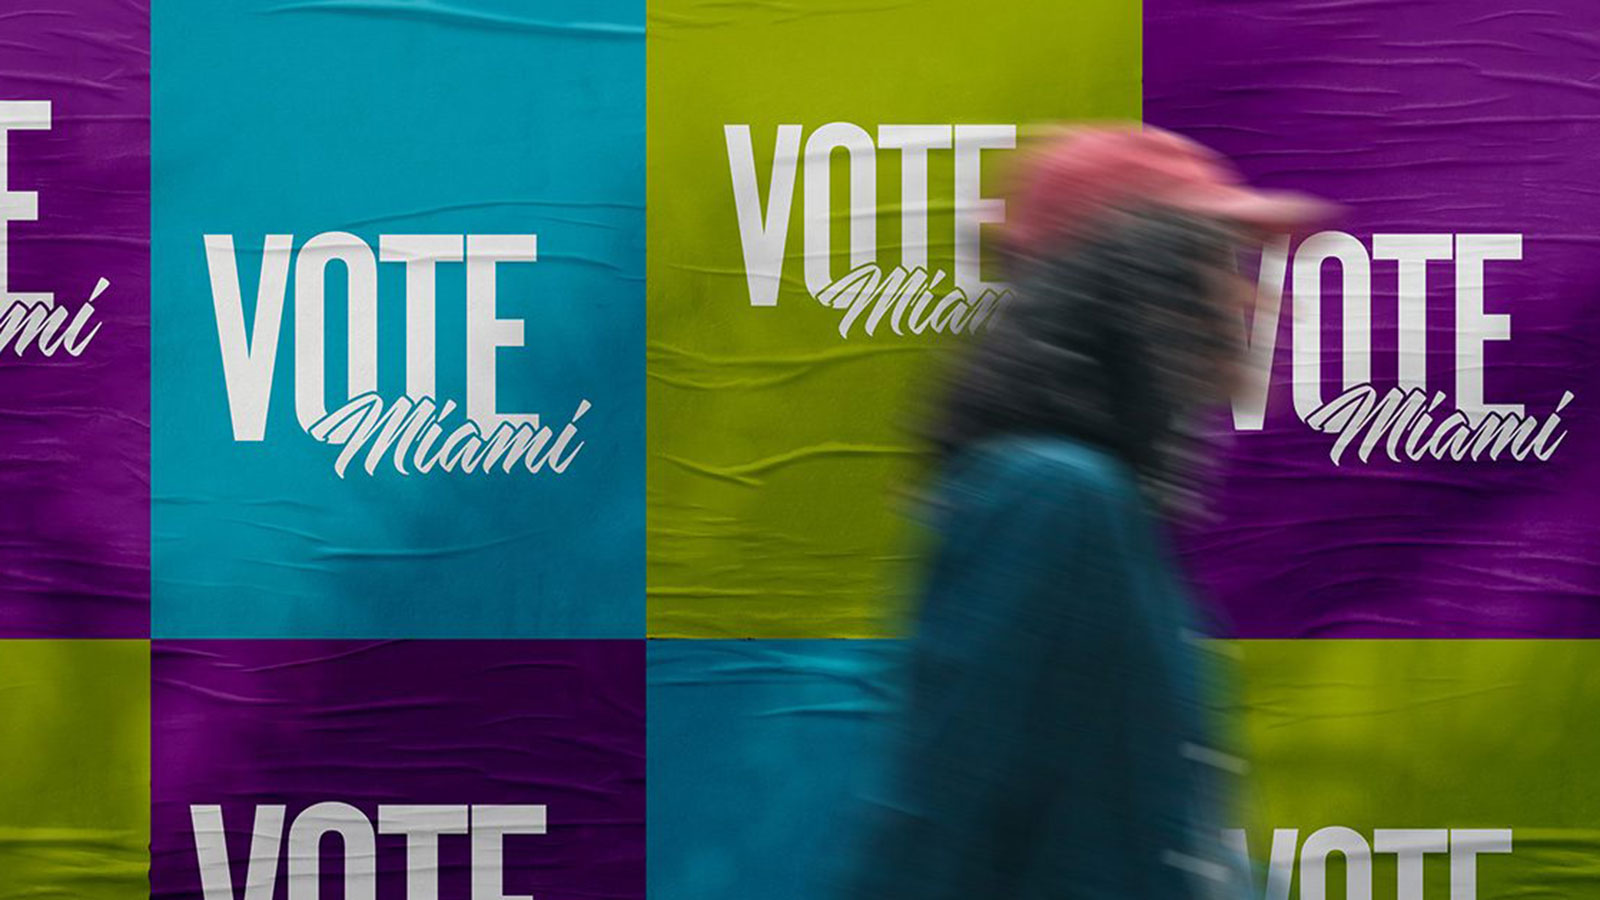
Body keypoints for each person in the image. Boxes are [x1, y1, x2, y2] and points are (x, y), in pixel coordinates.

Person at [841, 125, 1331, 899]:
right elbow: (938, 810)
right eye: (1218, 264)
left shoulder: (1100, 509)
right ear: (1138, 283)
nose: (1251, 299)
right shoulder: (1049, 497)